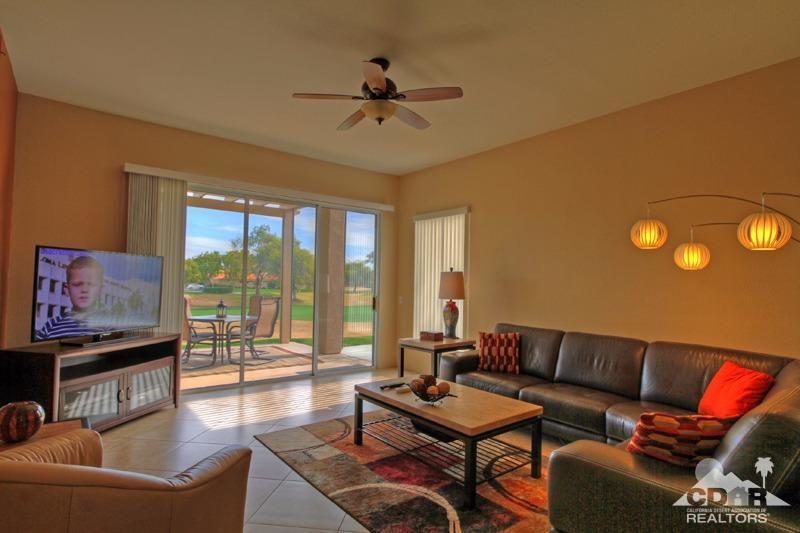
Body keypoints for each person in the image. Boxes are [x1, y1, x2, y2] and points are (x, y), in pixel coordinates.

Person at [35, 256, 107, 340]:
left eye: (91, 284)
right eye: (77, 284)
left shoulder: (108, 326)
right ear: (67, 290)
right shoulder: (49, 327)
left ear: (100, 290)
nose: (84, 290)